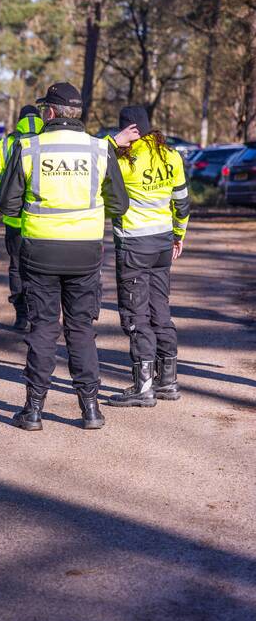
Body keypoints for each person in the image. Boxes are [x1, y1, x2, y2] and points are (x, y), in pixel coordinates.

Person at [0, 82, 129, 431]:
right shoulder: (100, 149)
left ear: (51, 112)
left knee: (42, 329)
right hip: (85, 252)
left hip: (40, 252)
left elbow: (6, 204)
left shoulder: (28, 148)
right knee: (81, 329)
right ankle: (91, 409)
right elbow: (120, 204)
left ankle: (34, 410)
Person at [104, 106, 190, 407]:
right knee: (160, 309)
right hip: (164, 243)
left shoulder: (121, 160)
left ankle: (143, 388)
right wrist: (179, 235)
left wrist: (114, 141)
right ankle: (168, 381)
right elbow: (182, 202)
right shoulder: (172, 156)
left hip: (134, 246)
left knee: (136, 315)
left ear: (127, 129)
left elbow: (93, 159)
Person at [0, 105, 44, 331]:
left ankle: (21, 315)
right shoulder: (49, 140)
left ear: (18, 120)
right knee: (43, 270)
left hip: (14, 221)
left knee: (17, 268)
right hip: (44, 221)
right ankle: (42, 317)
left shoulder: (4, 144)